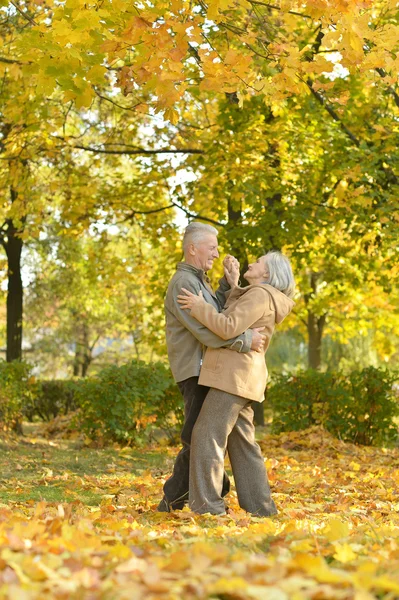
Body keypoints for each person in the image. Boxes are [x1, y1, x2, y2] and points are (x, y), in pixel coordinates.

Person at [157, 222, 266, 512]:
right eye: (212, 247)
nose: (217, 253)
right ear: (192, 248)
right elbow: (206, 332)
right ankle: (177, 498)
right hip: (195, 370)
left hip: (210, 368)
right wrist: (246, 340)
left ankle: (221, 491)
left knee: (210, 437)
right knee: (198, 439)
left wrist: (227, 283)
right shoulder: (183, 283)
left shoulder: (199, 280)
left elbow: (216, 312)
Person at [177, 250, 295, 516]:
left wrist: (199, 308)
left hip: (231, 377)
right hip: (245, 378)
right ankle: (261, 508)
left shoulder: (260, 295)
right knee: (243, 445)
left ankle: (207, 506)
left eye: (259, 262)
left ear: (267, 273)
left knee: (206, 435)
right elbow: (241, 316)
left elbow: (229, 325)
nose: (252, 262)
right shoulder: (265, 297)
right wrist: (233, 284)